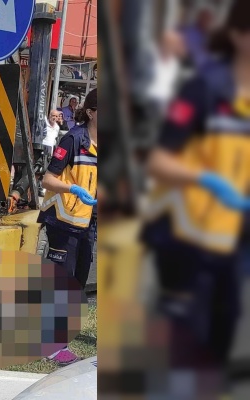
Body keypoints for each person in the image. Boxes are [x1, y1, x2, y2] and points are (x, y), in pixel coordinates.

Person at [141, 1, 250, 394]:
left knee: (217, 349)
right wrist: (207, 180)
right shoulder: (205, 89)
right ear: (238, 36)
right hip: (187, 242)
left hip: (233, 244)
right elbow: (158, 161)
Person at [37, 88, 97, 366]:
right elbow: (47, 179)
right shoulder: (73, 139)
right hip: (62, 221)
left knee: (77, 284)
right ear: (92, 113)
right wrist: (72, 188)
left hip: (86, 223)